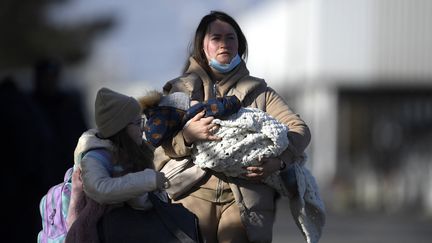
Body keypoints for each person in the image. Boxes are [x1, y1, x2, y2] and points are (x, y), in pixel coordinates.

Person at [154, 11, 325, 243]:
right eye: (216, 38)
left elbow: (299, 130)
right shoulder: (180, 91)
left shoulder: (260, 93)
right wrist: (187, 135)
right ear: (202, 47)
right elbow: (156, 141)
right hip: (191, 194)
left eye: (231, 37)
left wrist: (279, 161)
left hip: (246, 201)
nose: (224, 43)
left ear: (240, 45)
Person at [65, 87, 168, 242]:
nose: (144, 128)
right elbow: (99, 188)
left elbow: (140, 202)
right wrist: (148, 180)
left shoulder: (131, 151)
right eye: (138, 123)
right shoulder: (95, 156)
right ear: (120, 128)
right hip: (96, 234)